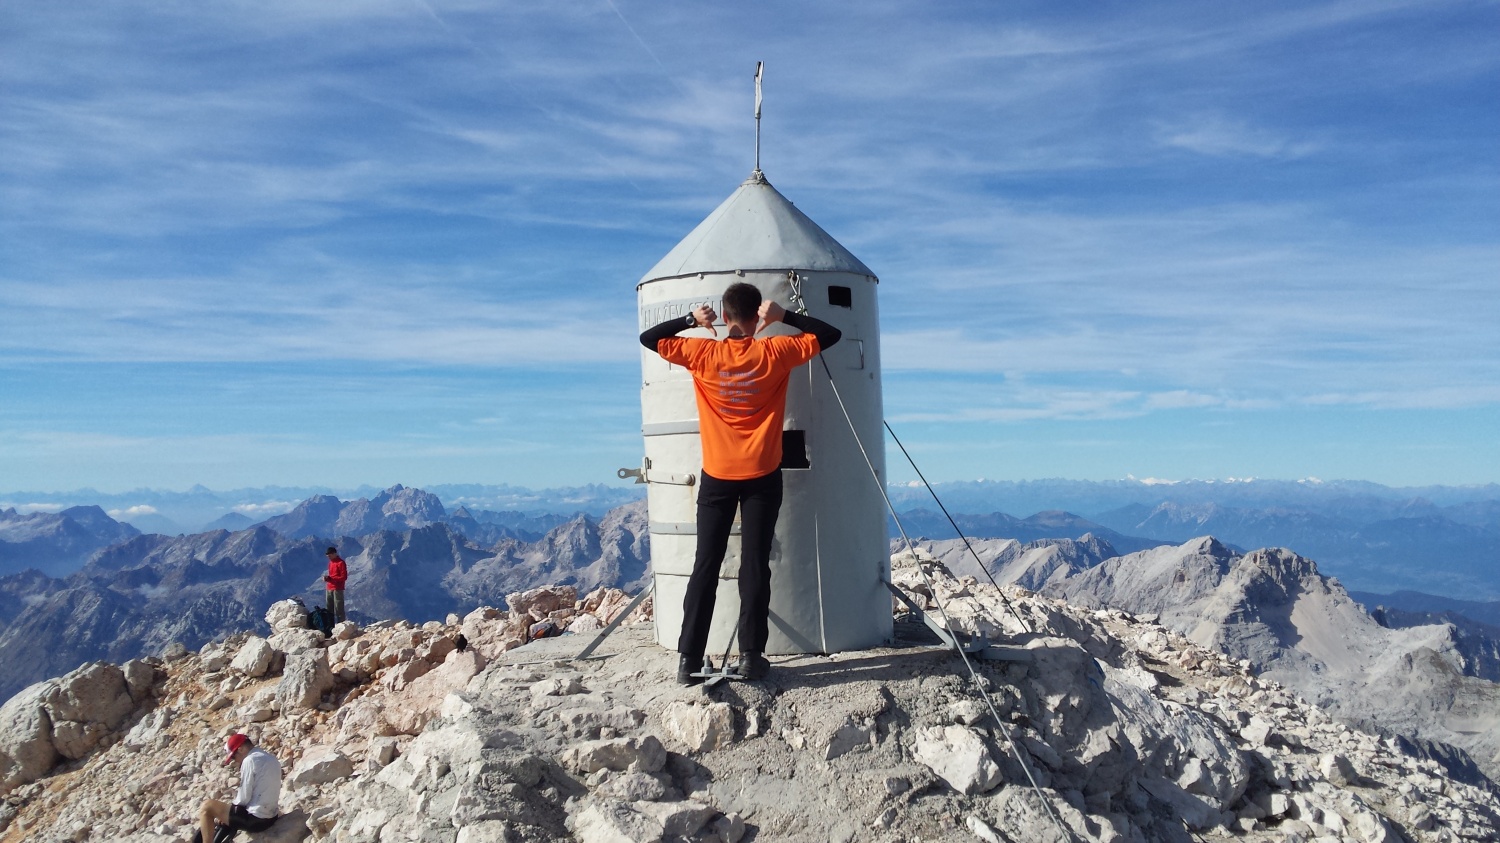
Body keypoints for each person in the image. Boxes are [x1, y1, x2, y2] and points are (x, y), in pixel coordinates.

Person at [639, 282, 841, 685]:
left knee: (705, 566)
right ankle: (751, 657)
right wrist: (784, 318)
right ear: (756, 317)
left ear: (725, 316)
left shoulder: (702, 352)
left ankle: (688, 660)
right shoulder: (776, 351)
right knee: (754, 566)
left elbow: (650, 338)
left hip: (716, 477)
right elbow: (829, 335)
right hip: (762, 476)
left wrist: (691, 322)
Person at [194, 733, 280, 843]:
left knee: (207, 807)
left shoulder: (250, 760)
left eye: (234, 757)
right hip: (272, 817)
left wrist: (227, 814)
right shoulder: (269, 758)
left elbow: (244, 797)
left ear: (240, 749)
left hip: (256, 820)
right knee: (226, 812)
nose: (235, 760)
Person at [323, 546, 348, 623]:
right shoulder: (330, 563)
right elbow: (332, 575)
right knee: (329, 608)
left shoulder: (341, 563)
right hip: (329, 587)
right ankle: (330, 625)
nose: (329, 558)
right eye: (328, 556)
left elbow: (344, 577)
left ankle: (341, 624)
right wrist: (327, 578)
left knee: (339, 608)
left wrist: (332, 579)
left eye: (330, 556)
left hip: (338, 588)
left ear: (334, 554)